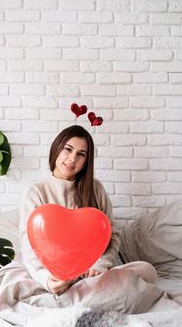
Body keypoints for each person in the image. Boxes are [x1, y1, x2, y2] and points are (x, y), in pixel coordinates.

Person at [20, 125, 157, 295]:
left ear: (86, 162)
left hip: (95, 275)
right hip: (59, 276)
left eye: (81, 154)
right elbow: (29, 245)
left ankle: (87, 296)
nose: (72, 159)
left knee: (147, 270)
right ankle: (87, 297)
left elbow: (112, 234)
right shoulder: (36, 192)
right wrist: (48, 280)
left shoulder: (95, 188)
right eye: (68, 150)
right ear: (56, 149)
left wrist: (99, 265)